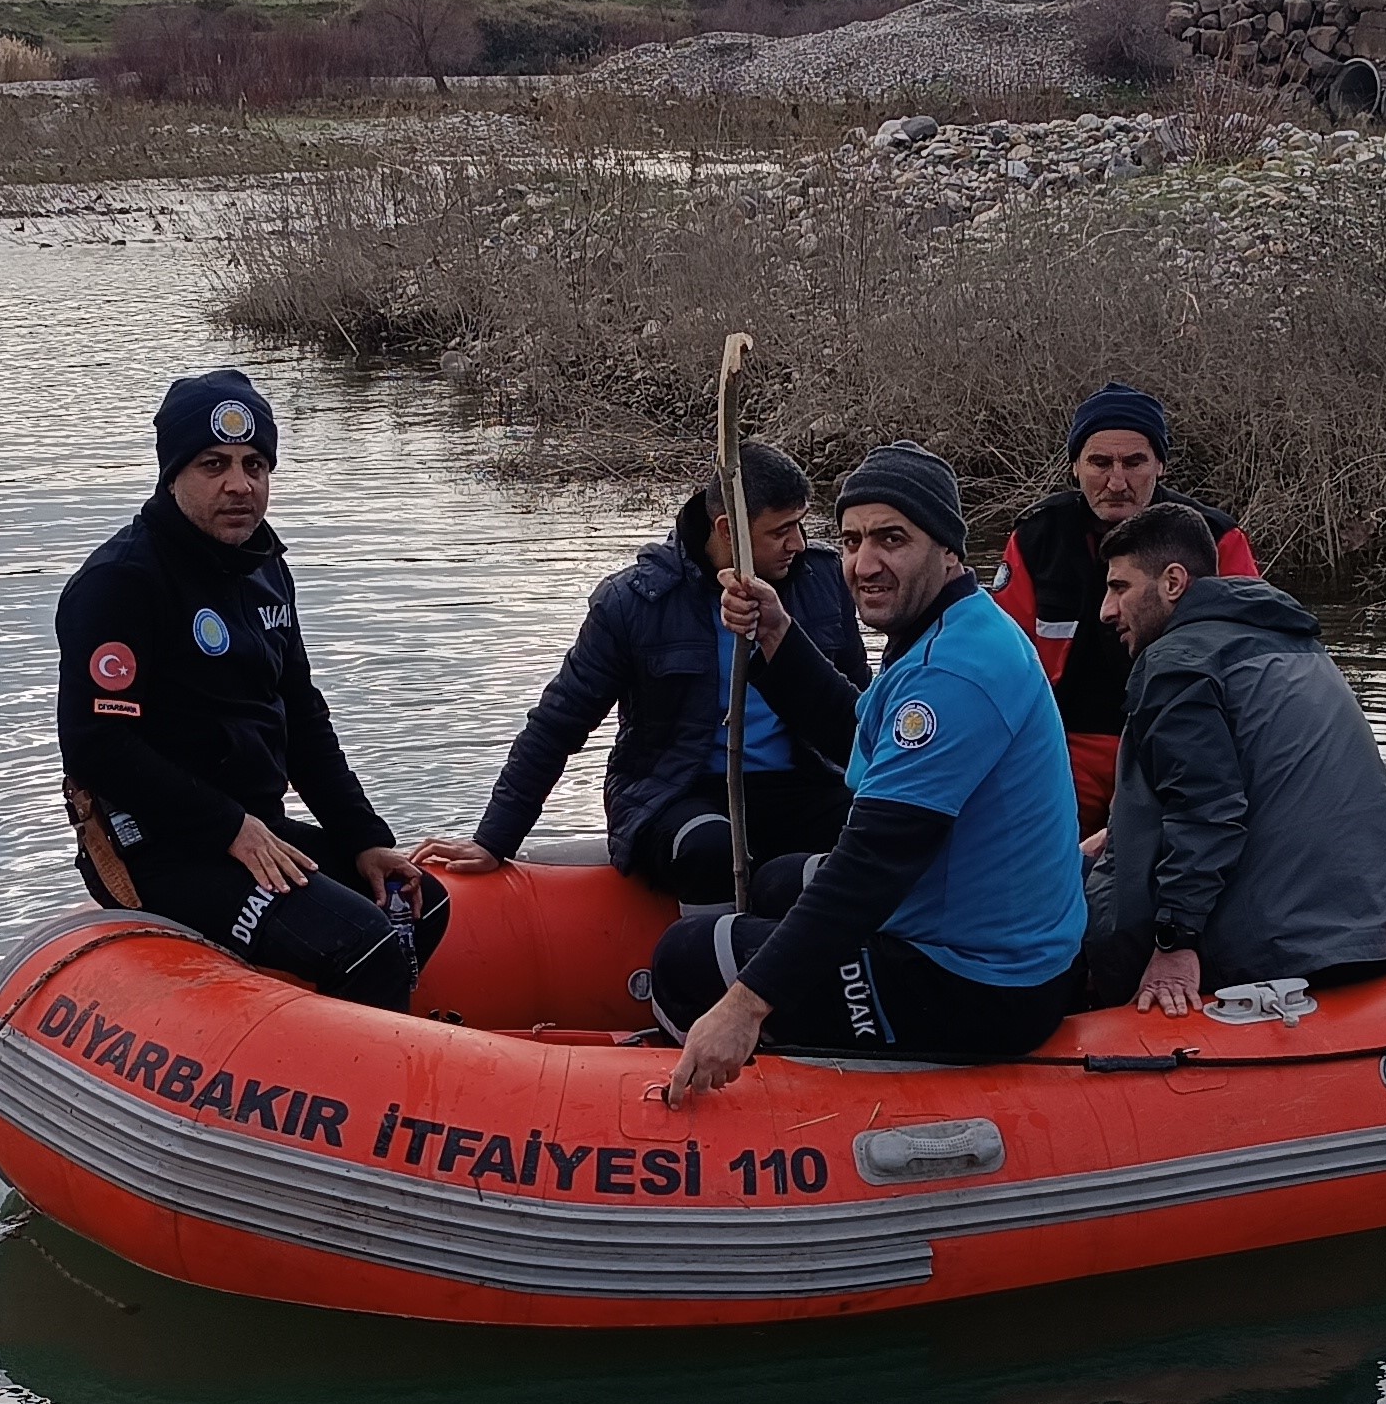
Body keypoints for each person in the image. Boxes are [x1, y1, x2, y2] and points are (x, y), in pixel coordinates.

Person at [655, 445, 1085, 1096]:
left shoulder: (953, 673)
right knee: (774, 883)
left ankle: (698, 1116)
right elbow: (862, 736)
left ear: (947, 549)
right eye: (852, 540)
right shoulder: (955, 626)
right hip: (975, 927)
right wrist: (776, 635)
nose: (863, 563)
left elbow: (870, 866)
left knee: (687, 959)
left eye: (892, 539)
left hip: (979, 983)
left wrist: (744, 1007)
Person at [53, 367, 443, 1011]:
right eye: (213, 464)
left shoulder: (263, 567)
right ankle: (343, 1093)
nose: (239, 485)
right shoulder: (122, 582)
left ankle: (335, 1037)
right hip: (158, 848)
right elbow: (97, 743)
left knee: (418, 904)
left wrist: (363, 836)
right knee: (366, 944)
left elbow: (302, 717)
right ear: (172, 472)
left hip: (254, 829)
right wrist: (228, 827)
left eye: (255, 464)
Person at [414, 444, 869, 902]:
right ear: (729, 531)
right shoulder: (633, 603)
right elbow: (559, 723)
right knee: (708, 848)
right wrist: (494, 839)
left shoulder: (821, 580)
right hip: (676, 793)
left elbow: (859, 706)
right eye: (781, 531)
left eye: (801, 524)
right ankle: (715, 955)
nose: (799, 543)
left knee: (879, 826)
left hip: (803, 782)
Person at [1083, 503, 1386, 1012]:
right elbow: (1263, 779)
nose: (1106, 611)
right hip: (1384, 928)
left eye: (1119, 588)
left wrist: (1174, 944)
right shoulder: (1295, 644)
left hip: (1284, 952)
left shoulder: (1176, 661)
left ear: (1173, 582)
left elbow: (1208, 812)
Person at [992, 381, 1260, 831]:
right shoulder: (1036, 539)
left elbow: (1254, 663)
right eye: (1100, 463)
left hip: (1179, 741)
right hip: (1060, 744)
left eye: (1134, 462)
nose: (1117, 482)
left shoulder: (1216, 540)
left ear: (1160, 465)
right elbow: (999, 662)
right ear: (1075, 467)